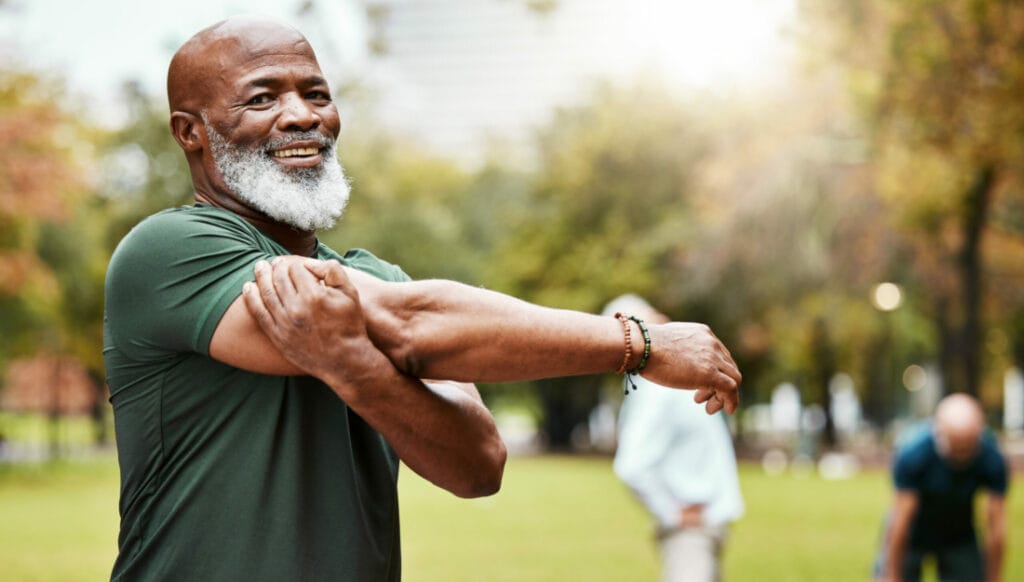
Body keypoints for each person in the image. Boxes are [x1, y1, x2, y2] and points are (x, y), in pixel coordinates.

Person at [103, 16, 742, 581]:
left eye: (316, 93)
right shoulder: (168, 250)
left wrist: (353, 366)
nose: (301, 115)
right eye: (262, 97)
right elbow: (409, 325)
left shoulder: (377, 275)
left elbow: (478, 465)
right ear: (191, 132)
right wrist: (638, 343)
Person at [607, 295, 744, 582]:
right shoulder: (657, 387)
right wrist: (672, 512)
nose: (667, 323)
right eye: (653, 321)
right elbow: (631, 465)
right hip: (691, 530)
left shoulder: (669, 382)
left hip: (705, 523)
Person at [875, 393, 1009, 582]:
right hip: (913, 531)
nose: (962, 455)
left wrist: (994, 578)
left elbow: (996, 527)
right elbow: (900, 522)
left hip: (959, 534)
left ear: (979, 432)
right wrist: (892, 576)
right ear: (938, 432)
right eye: (956, 447)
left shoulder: (992, 459)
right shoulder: (914, 455)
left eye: (968, 447)